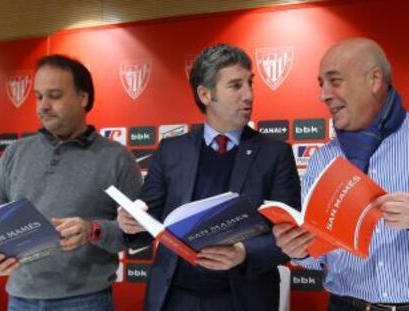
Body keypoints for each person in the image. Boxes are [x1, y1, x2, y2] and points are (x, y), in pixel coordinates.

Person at [117, 43, 300, 311]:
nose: (248, 95)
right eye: (236, 86)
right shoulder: (171, 151)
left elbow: (291, 236)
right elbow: (150, 219)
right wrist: (133, 221)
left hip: (243, 298)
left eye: (250, 83)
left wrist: (243, 253)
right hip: (174, 297)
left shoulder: (275, 154)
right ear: (205, 94)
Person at [0, 54, 143, 310]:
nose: (43, 106)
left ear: (82, 98)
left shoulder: (117, 158)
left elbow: (137, 234)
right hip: (20, 300)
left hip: (86, 301)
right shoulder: (14, 154)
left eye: (54, 96)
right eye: (39, 97)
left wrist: (93, 229)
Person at [273, 37, 409, 311]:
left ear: (374, 79)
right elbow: (313, 258)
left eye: (335, 81)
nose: (323, 94)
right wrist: (298, 249)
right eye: (321, 84)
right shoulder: (322, 159)